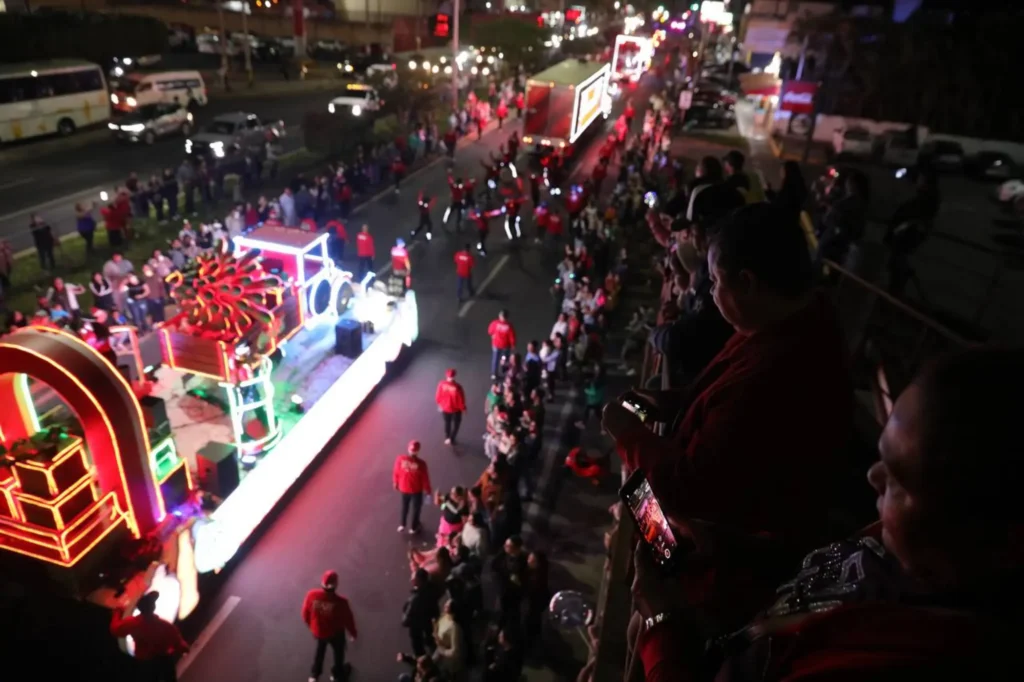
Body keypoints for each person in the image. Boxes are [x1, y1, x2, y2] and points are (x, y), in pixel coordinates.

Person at [632, 348, 1023, 682]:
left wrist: (662, 628)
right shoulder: (914, 552)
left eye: (902, 478)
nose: (873, 475)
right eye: (883, 453)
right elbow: (831, 566)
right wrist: (731, 545)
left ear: (1001, 542)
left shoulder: (909, 657)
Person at [603, 203, 853, 594]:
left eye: (716, 282)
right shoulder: (778, 323)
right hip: (719, 507)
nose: (712, 293)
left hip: (722, 553)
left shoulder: (777, 374)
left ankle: (651, 593)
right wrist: (673, 402)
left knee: (637, 499)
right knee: (632, 490)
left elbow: (687, 488)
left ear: (749, 283)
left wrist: (627, 434)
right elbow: (717, 397)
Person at [110, 591, 189, 682]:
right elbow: (177, 642)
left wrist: (117, 612)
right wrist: (184, 648)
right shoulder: (163, 625)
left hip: (145, 663)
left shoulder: (133, 624)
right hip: (164, 659)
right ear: (153, 607)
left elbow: (115, 629)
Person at [301, 570, 358, 682]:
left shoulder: (311, 595)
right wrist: (353, 633)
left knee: (320, 650)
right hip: (335, 633)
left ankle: (314, 675)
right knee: (338, 652)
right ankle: (337, 674)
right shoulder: (341, 602)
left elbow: (304, 614)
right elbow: (348, 620)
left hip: (319, 632)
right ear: (336, 584)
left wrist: (312, 626)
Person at [393, 440, 432, 534]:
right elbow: (425, 479)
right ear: (418, 451)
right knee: (416, 509)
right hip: (416, 490)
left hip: (403, 488)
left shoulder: (400, 459)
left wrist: (395, 482)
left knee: (405, 507)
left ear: (408, 449)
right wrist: (428, 491)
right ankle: (413, 527)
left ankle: (402, 524)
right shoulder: (421, 464)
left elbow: (396, 472)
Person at [402, 568, 440, 657]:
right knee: (432, 645)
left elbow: (405, 621)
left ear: (419, 581)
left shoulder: (415, 600)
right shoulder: (432, 591)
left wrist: (405, 614)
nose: (411, 580)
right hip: (430, 626)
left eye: (413, 578)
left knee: (419, 650)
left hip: (418, 629)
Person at [436, 368, 467, 445]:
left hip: (445, 409)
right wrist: (463, 409)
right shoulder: (458, 387)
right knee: (456, 424)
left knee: (447, 422)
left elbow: (438, 397)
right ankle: (452, 438)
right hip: (456, 410)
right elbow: (461, 401)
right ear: (454, 376)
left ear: (446, 375)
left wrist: (440, 404)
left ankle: (447, 437)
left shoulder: (441, 384)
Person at [487, 309, 517, 378]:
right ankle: (504, 371)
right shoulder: (509, 326)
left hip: (499, 346)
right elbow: (512, 336)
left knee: (496, 359)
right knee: (504, 358)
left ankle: (494, 373)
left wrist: (492, 335)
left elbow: (490, 331)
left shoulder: (495, 323)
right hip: (504, 346)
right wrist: (513, 344)